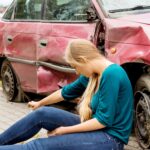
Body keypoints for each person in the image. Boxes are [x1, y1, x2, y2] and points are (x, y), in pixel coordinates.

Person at [0, 39, 133, 150]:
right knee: (42, 113)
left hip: (110, 139)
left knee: (39, 146)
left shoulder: (112, 74)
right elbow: (64, 93)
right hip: (96, 128)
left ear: (82, 60)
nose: (76, 72)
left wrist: (63, 131)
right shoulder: (94, 74)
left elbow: (103, 121)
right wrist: (40, 103)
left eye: (75, 66)